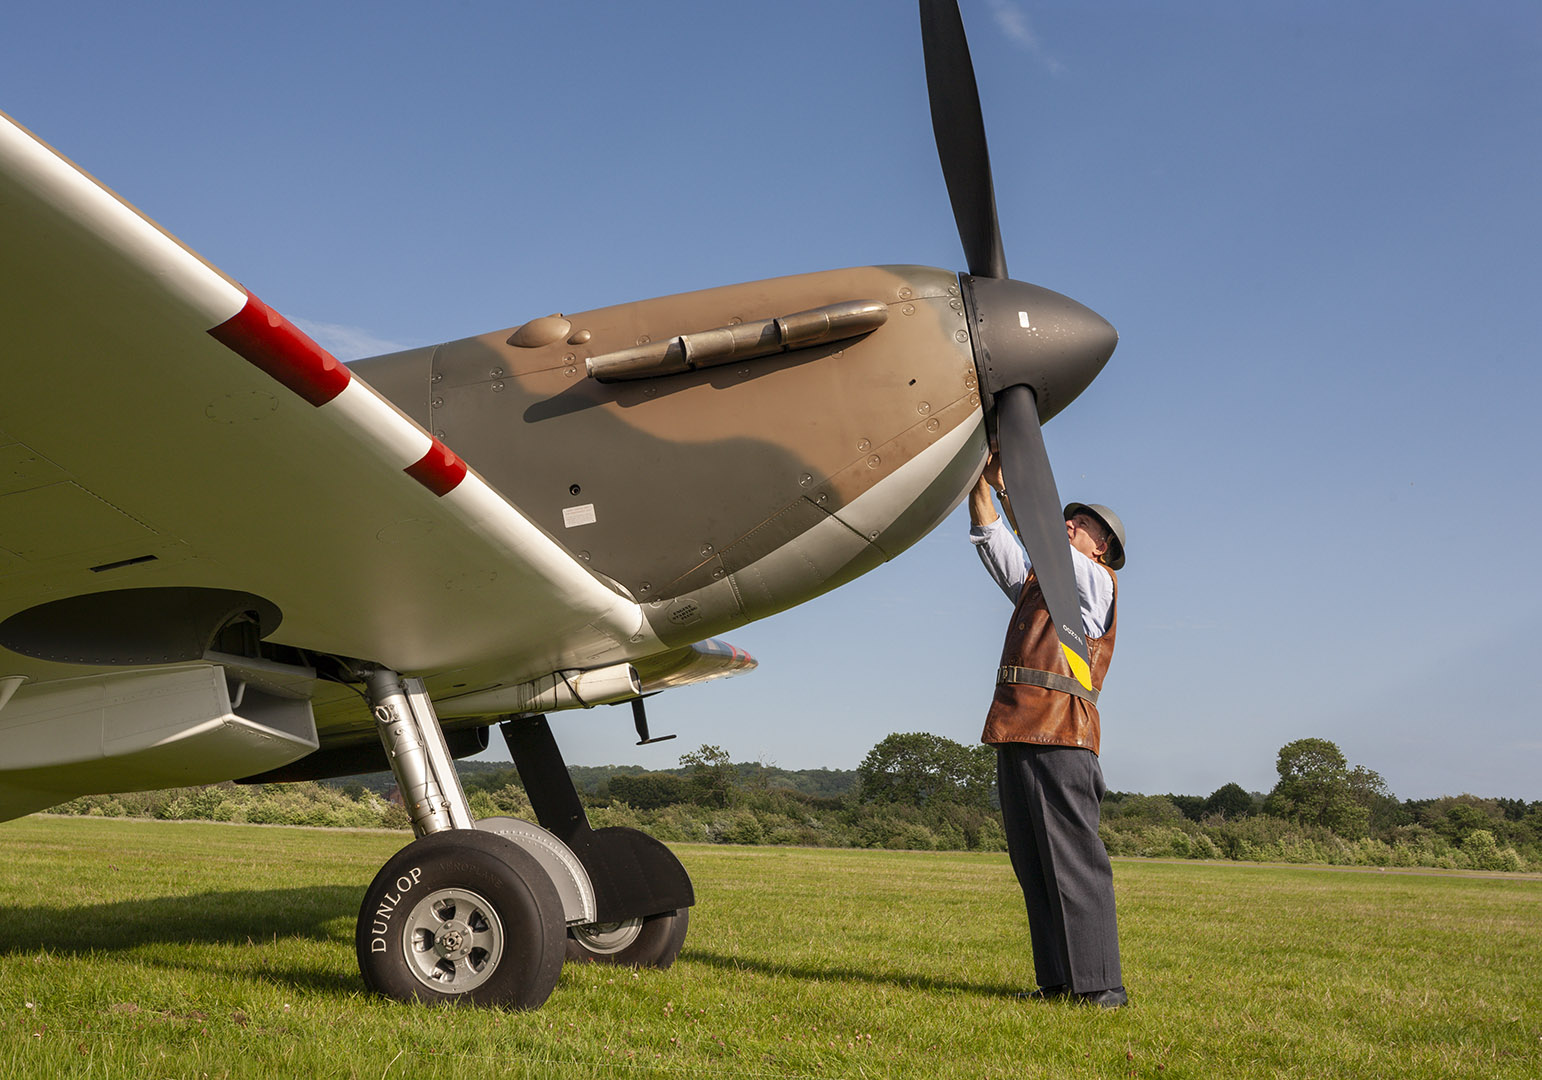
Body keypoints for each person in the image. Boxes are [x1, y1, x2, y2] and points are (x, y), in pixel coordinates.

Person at [968, 451, 1128, 1008]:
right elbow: (992, 539)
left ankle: (1103, 988)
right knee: (1034, 863)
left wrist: (1010, 488)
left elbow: (1039, 543)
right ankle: (1059, 982)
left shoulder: (1095, 581)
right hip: (1018, 726)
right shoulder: (1042, 582)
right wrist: (978, 482)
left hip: (1062, 733)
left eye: (1080, 523)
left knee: (1075, 863)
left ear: (1100, 544)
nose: (1068, 523)